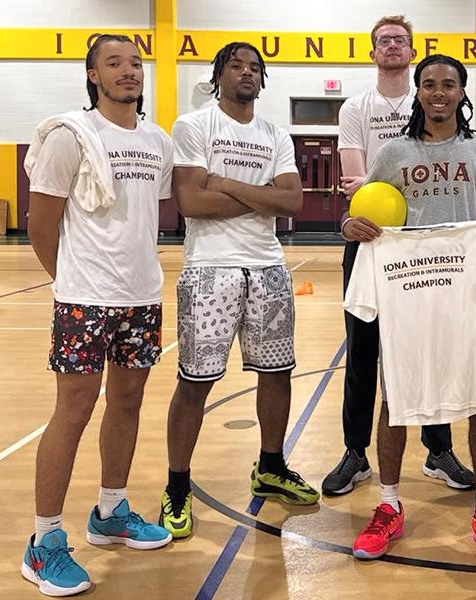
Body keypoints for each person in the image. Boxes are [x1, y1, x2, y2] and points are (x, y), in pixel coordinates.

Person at [342, 54, 476, 566]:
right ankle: (389, 505)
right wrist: (352, 227)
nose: (439, 92)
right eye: (429, 84)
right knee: (396, 394)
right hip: (407, 290)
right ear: (417, 92)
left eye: (449, 84)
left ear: (463, 93)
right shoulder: (392, 153)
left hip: (463, 289)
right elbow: (369, 213)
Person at [22, 34, 173, 596]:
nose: (128, 71)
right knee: (73, 411)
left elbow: (142, 219)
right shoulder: (68, 136)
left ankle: (110, 512)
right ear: (93, 75)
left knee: (128, 402)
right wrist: (70, 286)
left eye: (135, 63)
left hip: (142, 294)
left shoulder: (157, 140)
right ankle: (43, 542)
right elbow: (41, 226)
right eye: (114, 63)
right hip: (85, 298)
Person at [159, 42, 310, 540]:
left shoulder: (275, 133)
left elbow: (292, 202)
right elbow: (191, 201)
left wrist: (227, 184)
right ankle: (177, 485)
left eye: (254, 67)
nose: (246, 72)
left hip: (268, 267)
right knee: (196, 380)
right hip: (210, 269)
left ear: (262, 81)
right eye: (236, 65)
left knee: (277, 374)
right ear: (218, 76)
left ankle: (270, 465)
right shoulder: (194, 125)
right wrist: (262, 199)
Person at [324, 15, 473, 496]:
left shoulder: (430, 95)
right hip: (371, 241)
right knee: (362, 354)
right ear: (373, 53)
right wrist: (370, 194)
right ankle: (355, 453)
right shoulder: (355, 107)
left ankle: (438, 450)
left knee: (432, 351)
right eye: (383, 40)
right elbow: (354, 180)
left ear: (412, 51)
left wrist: (376, 183)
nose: (391, 46)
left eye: (400, 40)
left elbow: (443, 166)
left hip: (427, 248)